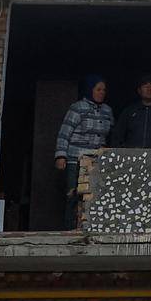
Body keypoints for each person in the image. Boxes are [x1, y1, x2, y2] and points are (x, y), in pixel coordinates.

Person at [54, 74, 113, 230]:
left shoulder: (107, 111)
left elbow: (110, 135)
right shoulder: (78, 108)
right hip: (76, 159)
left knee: (94, 194)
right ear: (90, 90)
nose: (102, 92)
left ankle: (90, 228)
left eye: (104, 90)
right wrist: (60, 156)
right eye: (98, 89)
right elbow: (64, 133)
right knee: (73, 195)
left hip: (96, 160)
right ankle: (70, 229)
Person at [108, 73, 151, 150]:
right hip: (132, 157)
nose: (149, 89)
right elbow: (117, 137)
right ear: (139, 90)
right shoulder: (129, 111)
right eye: (145, 86)